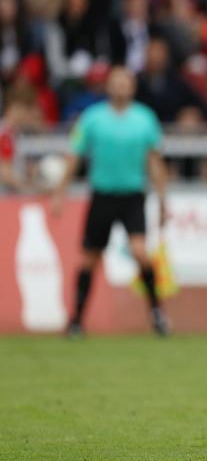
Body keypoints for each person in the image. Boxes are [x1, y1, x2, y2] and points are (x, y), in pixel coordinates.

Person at [51, 66, 170, 337]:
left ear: (132, 87)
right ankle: (77, 320)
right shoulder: (92, 119)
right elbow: (74, 157)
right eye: (115, 82)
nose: (120, 87)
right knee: (90, 259)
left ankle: (157, 314)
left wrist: (163, 200)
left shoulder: (145, 119)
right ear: (108, 87)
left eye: (125, 82)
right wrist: (60, 191)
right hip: (103, 195)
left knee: (140, 252)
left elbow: (155, 162)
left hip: (132, 196)